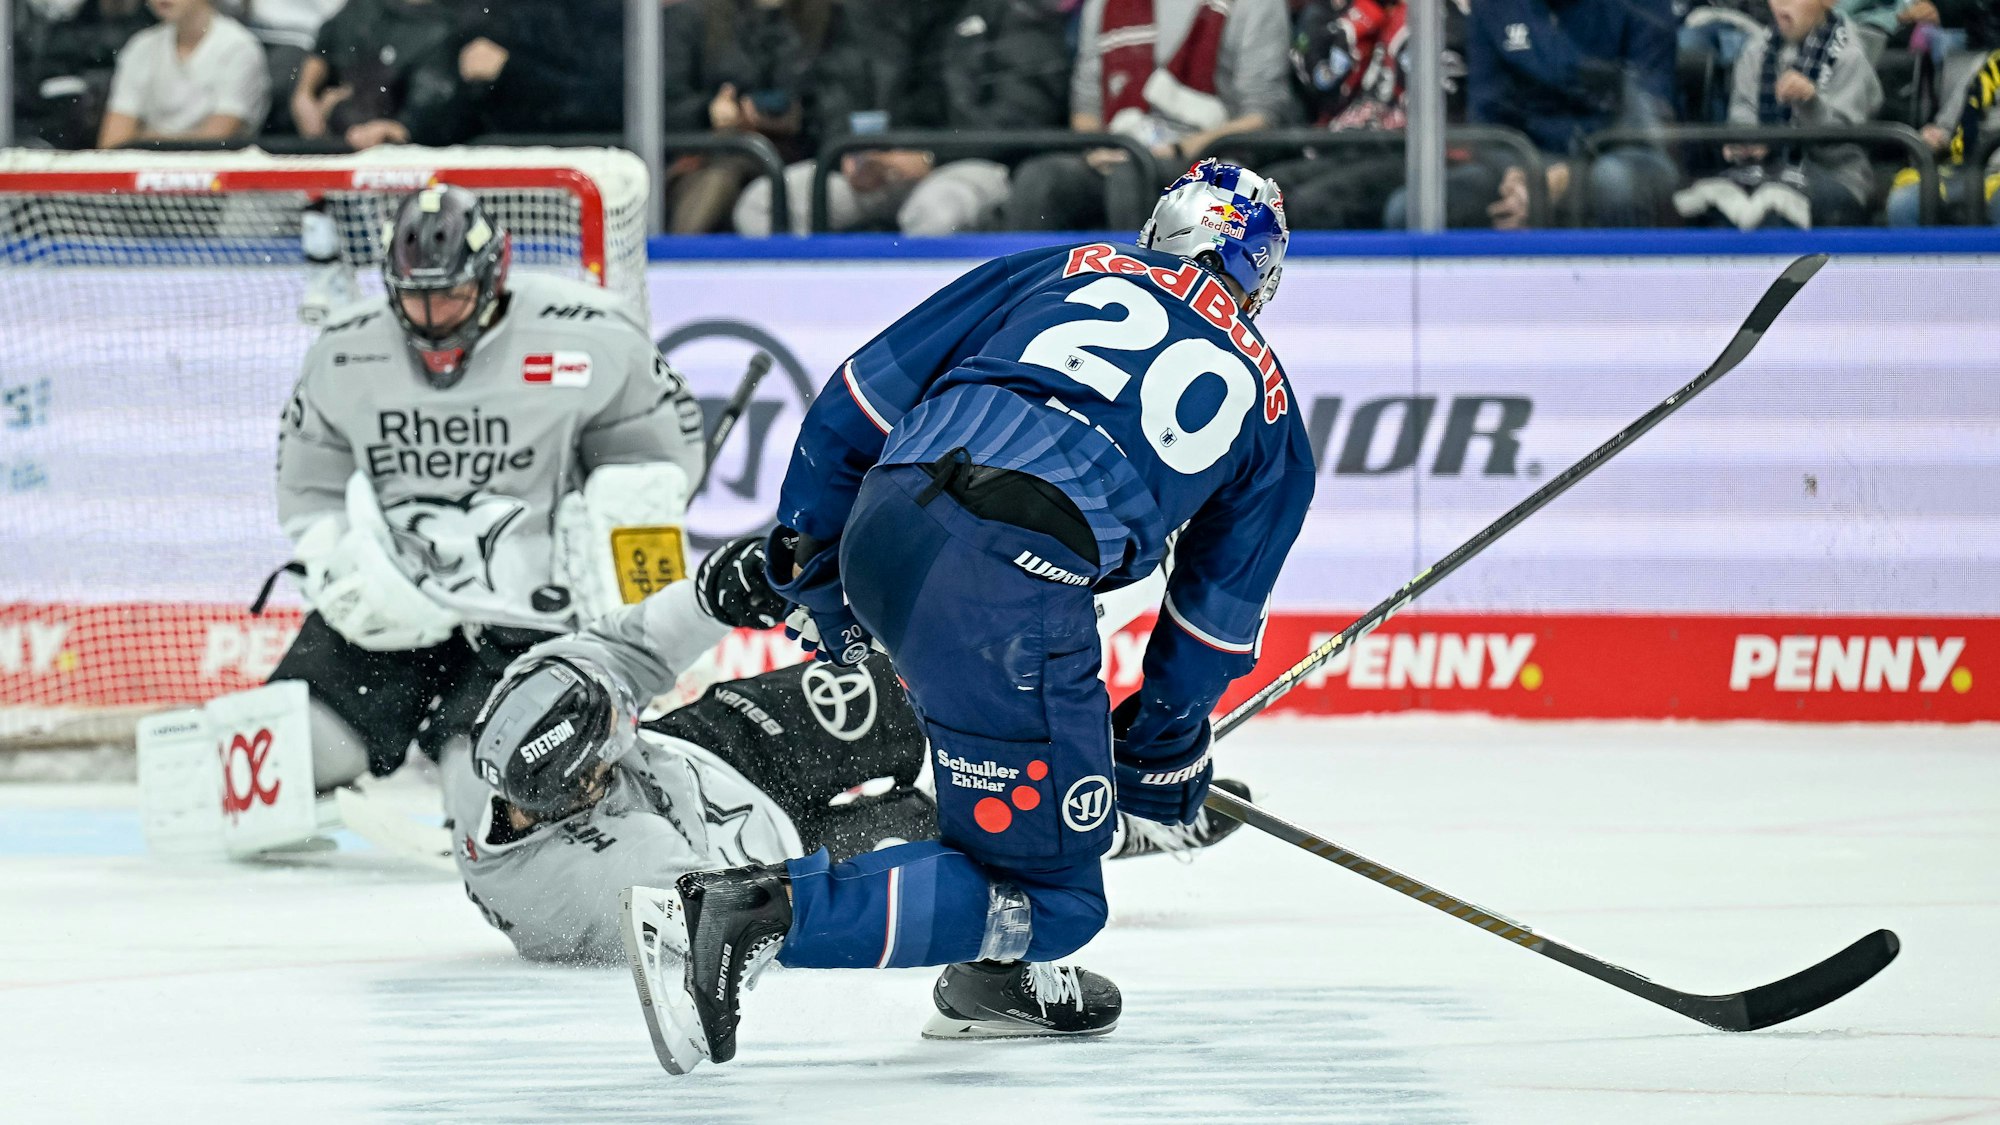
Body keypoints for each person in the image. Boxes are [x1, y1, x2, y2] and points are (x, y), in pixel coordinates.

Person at [619, 159, 1314, 1074]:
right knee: (1061, 899)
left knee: (1006, 771)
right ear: (1261, 275)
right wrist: (1161, 753)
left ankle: (990, 978)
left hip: (887, 514)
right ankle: (745, 913)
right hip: (1007, 588)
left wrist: (815, 573)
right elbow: (1207, 637)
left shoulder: (1064, 265)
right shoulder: (1274, 416)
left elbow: (855, 403)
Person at [451, 537, 1251, 964]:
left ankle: (1047, 619)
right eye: (602, 765)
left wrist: (716, 592)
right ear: (567, 794)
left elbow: (627, 651)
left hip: (721, 747)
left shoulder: (538, 694)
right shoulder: (590, 884)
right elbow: (726, 921)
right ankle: (1111, 822)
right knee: (962, 842)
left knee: (899, 679)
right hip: (776, 864)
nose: (614, 755)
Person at [268, 184, 705, 792]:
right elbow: (309, 480)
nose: (432, 317)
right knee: (286, 757)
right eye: (415, 298)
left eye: (450, 295)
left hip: (532, 620)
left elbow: (658, 461)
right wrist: (336, 561)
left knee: (485, 784)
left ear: (493, 275)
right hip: (396, 606)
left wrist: (629, 577)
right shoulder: (343, 350)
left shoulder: (590, 334)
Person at [1005, 0, 1296, 232]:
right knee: (1039, 178)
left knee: (1132, 175)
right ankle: (1026, 296)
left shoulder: (1257, 4)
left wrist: (1181, 149)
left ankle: (1139, 290)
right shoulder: (1103, 4)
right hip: (1120, 149)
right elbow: (1086, 108)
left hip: (1208, 156)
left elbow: (1263, 114)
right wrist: (1098, 148)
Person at [1677, 0, 1883, 228]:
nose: (1780, 7)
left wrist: (1811, 103)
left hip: (1836, 177)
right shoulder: (1756, 50)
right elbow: (1742, 114)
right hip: (1763, 171)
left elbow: (1844, 136)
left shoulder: (1850, 56)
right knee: (1709, 210)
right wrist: (1745, 143)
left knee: (1773, 212)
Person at [288, 0, 461, 151]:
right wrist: (305, 93)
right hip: (337, 133)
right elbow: (325, 46)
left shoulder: (450, 26)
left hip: (402, 142)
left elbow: (433, 102)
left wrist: (399, 128)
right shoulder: (364, 7)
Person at [96, 0, 269, 148]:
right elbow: (112, 143)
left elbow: (215, 142)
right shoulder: (140, 46)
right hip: (146, 174)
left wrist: (143, 140)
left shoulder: (239, 48)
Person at [1886, 46, 2000, 225]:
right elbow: (1949, 126)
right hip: (1966, 169)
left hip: (1995, 169)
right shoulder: (1987, 64)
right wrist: (1936, 136)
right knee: (1905, 202)